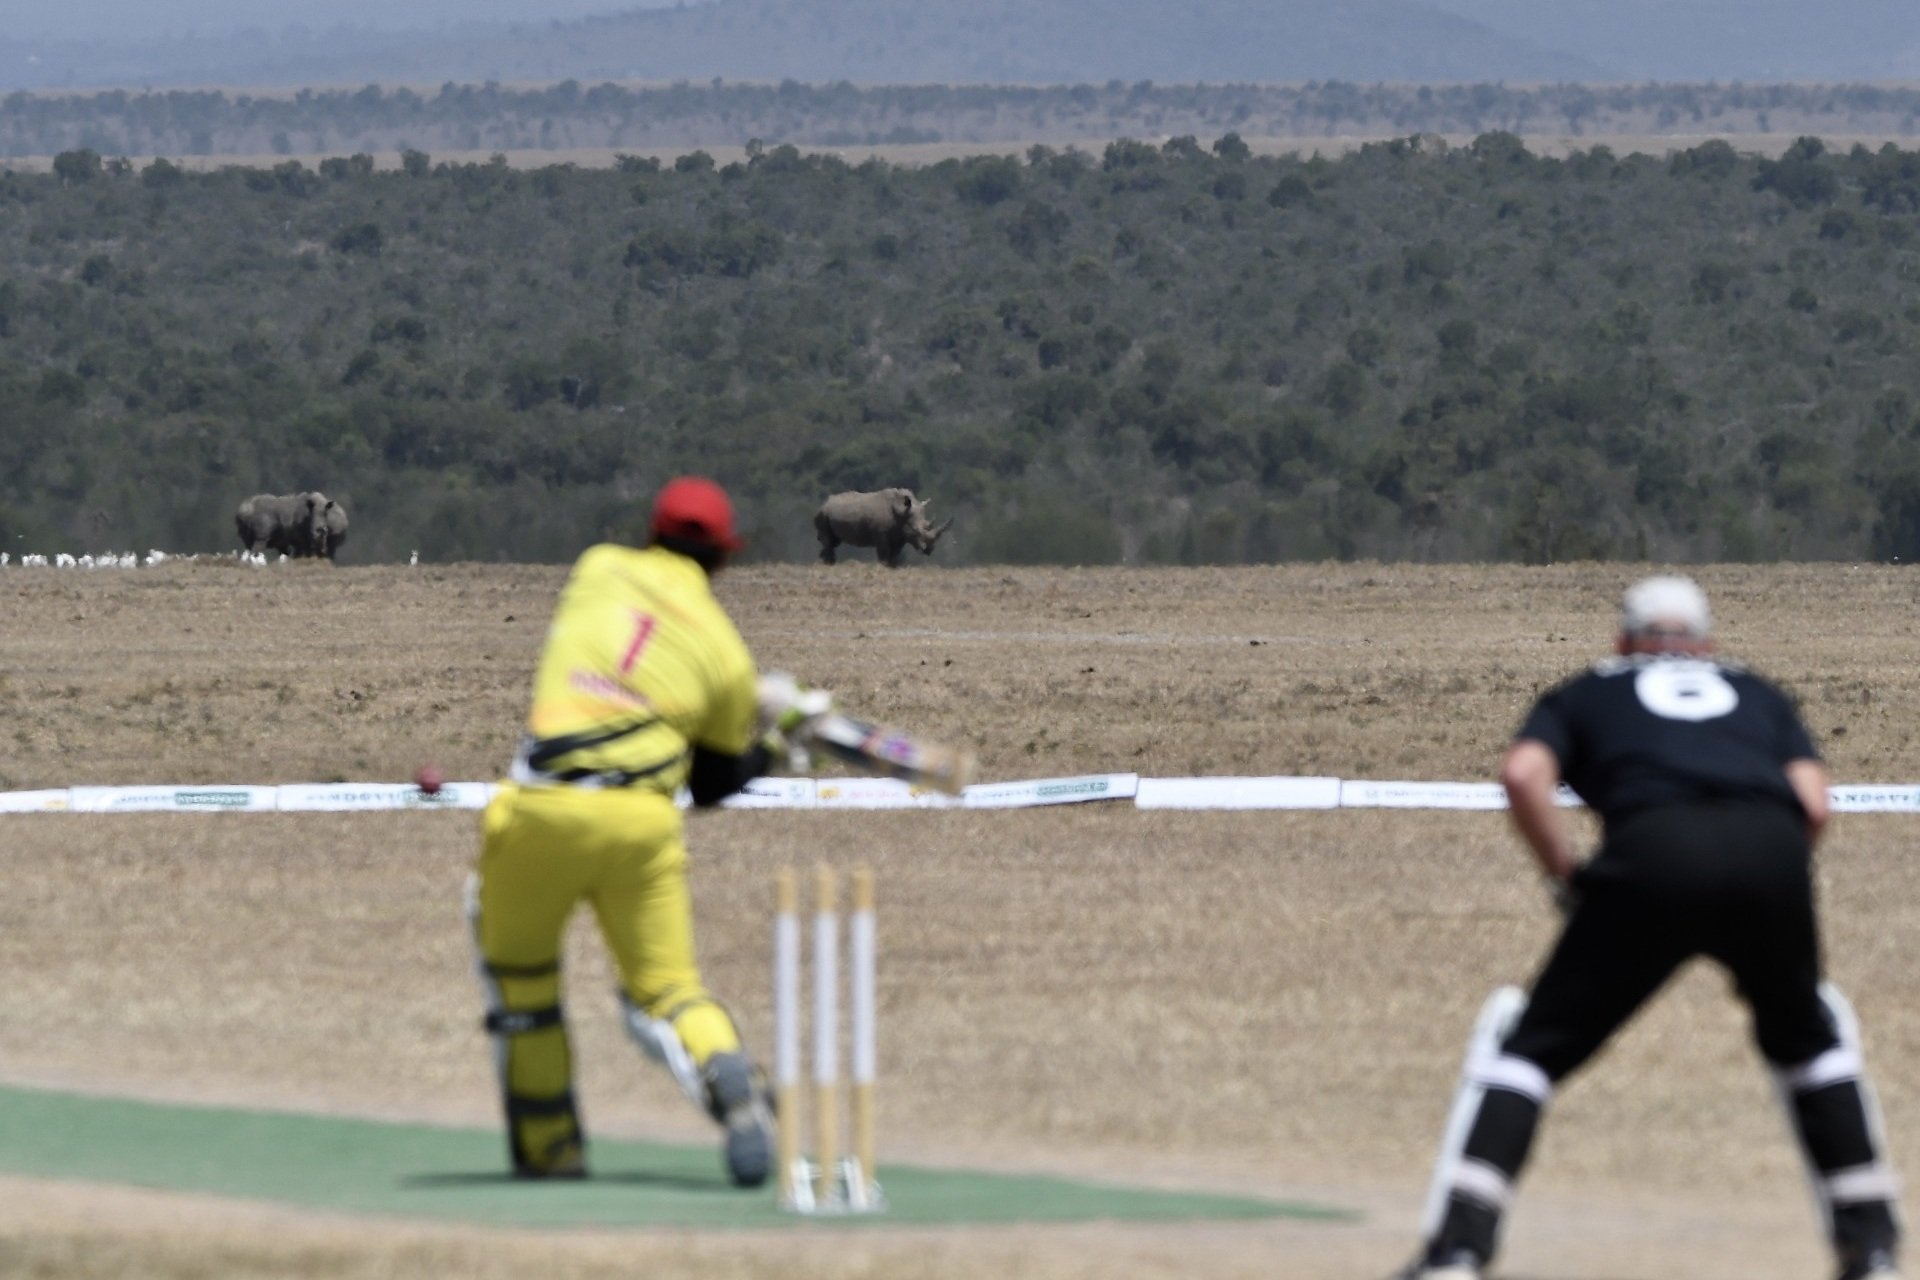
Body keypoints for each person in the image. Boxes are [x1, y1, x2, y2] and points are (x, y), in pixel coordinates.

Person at [1403, 575, 1903, 1280]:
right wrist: (1766, 878)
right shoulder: (1756, 691)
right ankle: (1871, 1249)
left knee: (1526, 1050)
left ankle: (1458, 1252)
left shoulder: (1591, 688)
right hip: (1771, 855)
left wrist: (1565, 875)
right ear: (1706, 646)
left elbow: (1521, 775)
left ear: (1622, 643)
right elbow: (1815, 806)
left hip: (1650, 855)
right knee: (1812, 1042)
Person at [466, 476, 829, 1186]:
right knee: (667, 989)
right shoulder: (726, 655)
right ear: (725, 558)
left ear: (651, 532)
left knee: (525, 983)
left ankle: (550, 1149)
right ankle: (722, 1061)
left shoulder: (597, 568)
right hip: (640, 823)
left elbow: (630, 652)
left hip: (542, 809)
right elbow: (713, 784)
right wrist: (777, 734)